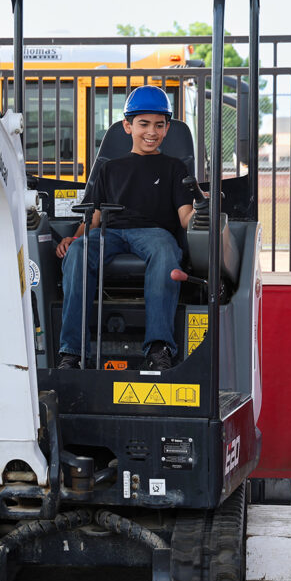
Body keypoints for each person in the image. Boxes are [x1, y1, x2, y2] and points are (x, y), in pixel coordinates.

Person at [55, 85, 194, 370]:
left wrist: (205, 210)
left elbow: (185, 217)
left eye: (159, 125)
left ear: (167, 128)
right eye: (144, 124)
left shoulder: (175, 168)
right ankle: (72, 352)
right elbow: (93, 217)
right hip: (110, 232)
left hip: (155, 233)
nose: (151, 132)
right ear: (127, 126)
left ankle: (158, 348)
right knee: (79, 252)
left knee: (166, 251)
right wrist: (75, 239)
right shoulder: (109, 168)